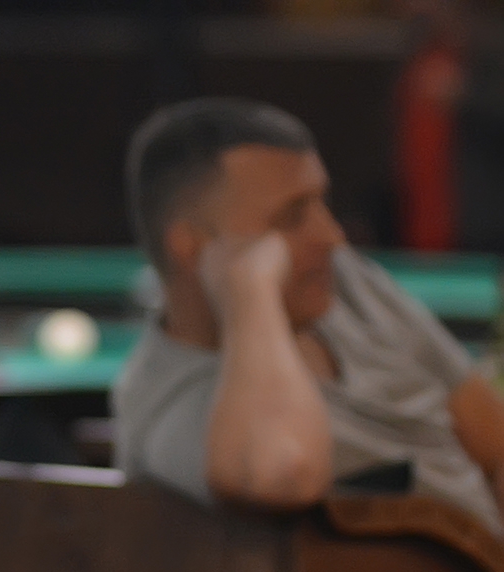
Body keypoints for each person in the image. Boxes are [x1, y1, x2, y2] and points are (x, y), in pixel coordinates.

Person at [111, 98, 504, 534]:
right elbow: (285, 472)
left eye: (322, 203)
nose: (332, 236)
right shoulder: (171, 406)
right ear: (194, 248)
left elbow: (493, 438)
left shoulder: (345, 282)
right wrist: (251, 291)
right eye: (292, 216)